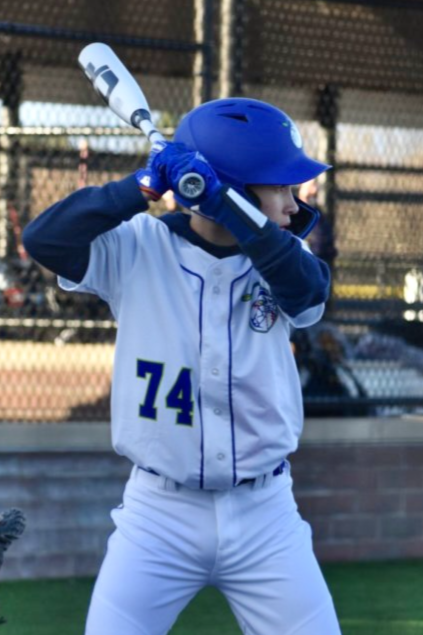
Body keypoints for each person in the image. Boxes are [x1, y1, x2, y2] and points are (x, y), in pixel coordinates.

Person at [23, 98, 341, 635]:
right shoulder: (139, 245)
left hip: (266, 515)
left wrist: (230, 207)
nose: (294, 203)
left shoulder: (286, 256)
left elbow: (308, 296)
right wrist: (140, 187)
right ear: (236, 184)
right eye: (280, 187)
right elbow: (44, 239)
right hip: (157, 516)